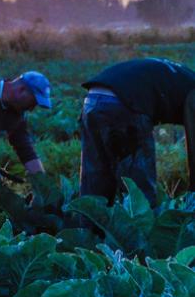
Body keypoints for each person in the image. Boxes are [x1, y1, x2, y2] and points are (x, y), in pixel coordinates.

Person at [79, 58, 195, 205]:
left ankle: (88, 227)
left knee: (94, 181)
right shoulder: (192, 89)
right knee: (139, 192)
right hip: (128, 104)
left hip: (92, 101)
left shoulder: (184, 77)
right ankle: (138, 227)